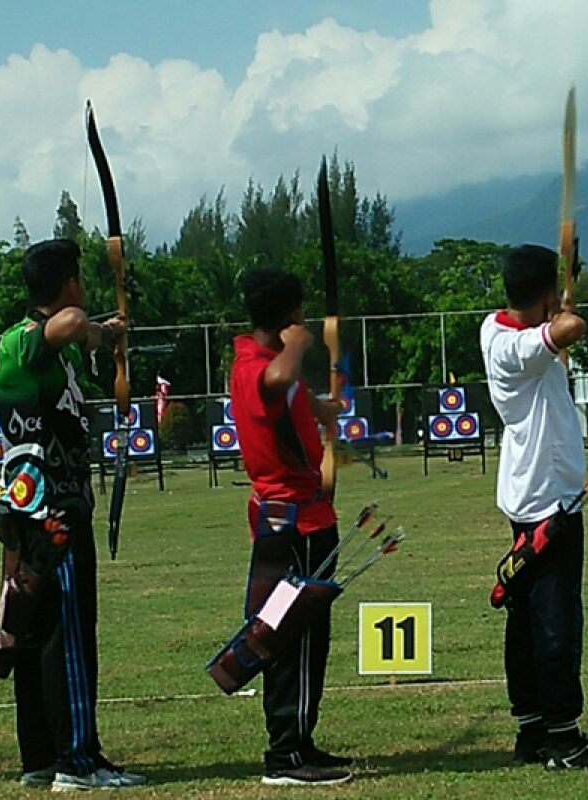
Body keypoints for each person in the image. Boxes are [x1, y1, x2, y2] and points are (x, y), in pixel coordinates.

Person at [0, 239, 145, 790]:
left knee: (33, 629)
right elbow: (70, 323)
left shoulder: (27, 345)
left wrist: (111, 335)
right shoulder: (32, 338)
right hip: (55, 511)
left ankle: (40, 756)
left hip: (27, 510)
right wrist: (94, 323)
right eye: (79, 277)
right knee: (69, 631)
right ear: (68, 284)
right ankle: (78, 760)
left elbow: (82, 334)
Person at [479, 244, 588, 770]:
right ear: (542, 296)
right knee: (553, 621)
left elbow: (556, 335)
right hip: (545, 504)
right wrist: (563, 305)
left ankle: (533, 729)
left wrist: (556, 296)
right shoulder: (507, 345)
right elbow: (570, 331)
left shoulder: (505, 332)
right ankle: (561, 736)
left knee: (529, 618)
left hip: (541, 495)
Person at [228, 268, 352, 785]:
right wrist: (300, 344)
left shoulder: (270, 367)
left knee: (307, 639)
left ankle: (299, 740)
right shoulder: (259, 363)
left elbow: (289, 396)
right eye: (297, 315)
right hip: (291, 526)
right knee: (292, 638)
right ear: (289, 317)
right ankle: (285, 756)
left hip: (302, 518)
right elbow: (275, 381)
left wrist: (323, 408)